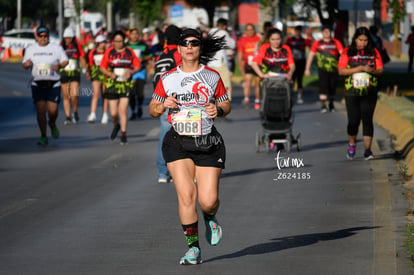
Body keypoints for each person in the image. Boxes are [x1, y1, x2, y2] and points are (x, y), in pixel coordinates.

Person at [149, 28, 231, 265]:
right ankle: (193, 249)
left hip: (208, 143)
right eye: (184, 43)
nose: (189, 47)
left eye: (194, 43)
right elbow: (153, 109)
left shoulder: (212, 76)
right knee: (186, 197)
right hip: (178, 143)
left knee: (207, 201)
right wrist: (164, 104)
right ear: (178, 48)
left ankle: (210, 216)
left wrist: (220, 110)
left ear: (199, 48)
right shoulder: (168, 78)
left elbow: (226, 104)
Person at [338, 26, 384, 160]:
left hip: (369, 91)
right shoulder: (348, 52)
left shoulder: (373, 52)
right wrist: (358, 69)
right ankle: (352, 143)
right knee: (353, 121)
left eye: (365, 40)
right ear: (355, 39)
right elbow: (341, 71)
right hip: (351, 92)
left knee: (367, 119)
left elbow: (380, 70)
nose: (363, 43)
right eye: (360, 40)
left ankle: (368, 151)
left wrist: (371, 71)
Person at [22, 26, 68, 145]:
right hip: (37, 84)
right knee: (41, 111)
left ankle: (52, 123)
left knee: (53, 111)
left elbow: (65, 60)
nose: (43, 38)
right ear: (37, 37)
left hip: (53, 84)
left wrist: (60, 66)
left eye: (45, 36)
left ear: (48, 36)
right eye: (41, 36)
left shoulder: (56, 48)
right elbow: (25, 63)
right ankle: (43, 135)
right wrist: (26, 65)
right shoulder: (31, 49)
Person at [152, 24, 182, 184]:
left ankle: (163, 173)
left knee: (164, 136)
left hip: (161, 98)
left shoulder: (161, 56)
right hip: (176, 99)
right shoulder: (178, 54)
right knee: (187, 135)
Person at [100, 30, 141, 145]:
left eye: (121, 41)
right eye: (116, 41)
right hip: (112, 83)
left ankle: (123, 133)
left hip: (125, 84)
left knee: (122, 110)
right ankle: (116, 125)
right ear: (113, 42)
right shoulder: (109, 52)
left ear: (124, 41)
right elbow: (102, 67)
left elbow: (137, 65)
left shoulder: (129, 52)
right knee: (113, 113)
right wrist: (109, 74)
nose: (119, 43)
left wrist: (131, 72)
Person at [305, 25, 343, 112]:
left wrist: (343, 66)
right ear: (322, 33)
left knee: (332, 87)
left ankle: (331, 103)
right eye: (325, 32)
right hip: (322, 69)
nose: (327, 33)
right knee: (323, 86)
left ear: (330, 33)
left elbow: (342, 54)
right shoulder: (317, 43)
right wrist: (307, 68)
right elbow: (311, 55)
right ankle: (323, 105)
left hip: (334, 69)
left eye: (328, 32)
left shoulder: (336, 42)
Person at [60, 27, 90, 125]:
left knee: (74, 94)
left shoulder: (77, 46)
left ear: (72, 38)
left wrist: (87, 70)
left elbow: (82, 58)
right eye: (66, 38)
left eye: (69, 38)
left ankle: (75, 111)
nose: (67, 40)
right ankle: (68, 116)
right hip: (64, 73)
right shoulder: (60, 46)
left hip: (74, 72)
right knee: (65, 95)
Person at [203, 18, 236, 100]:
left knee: (212, 82)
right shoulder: (223, 32)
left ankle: (212, 98)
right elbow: (232, 45)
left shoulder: (210, 32)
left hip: (210, 62)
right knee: (226, 83)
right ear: (225, 26)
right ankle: (227, 99)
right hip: (220, 62)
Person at [127, 28, 152, 120]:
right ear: (129, 35)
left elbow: (150, 55)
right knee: (131, 92)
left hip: (140, 71)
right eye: (133, 34)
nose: (135, 36)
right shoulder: (126, 46)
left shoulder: (143, 45)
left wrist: (143, 59)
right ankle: (133, 111)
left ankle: (139, 106)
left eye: (136, 34)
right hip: (129, 72)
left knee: (140, 92)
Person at [237, 23, 261, 109]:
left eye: (251, 30)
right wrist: (240, 65)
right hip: (248, 64)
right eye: (248, 30)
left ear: (254, 30)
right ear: (246, 31)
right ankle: (246, 98)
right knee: (248, 80)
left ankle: (257, 100)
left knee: (258, 82)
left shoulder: (259, 39)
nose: (250, 32)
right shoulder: (242, 40)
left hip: (258, 64)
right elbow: (240, 54)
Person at [286, 25, 312, 104]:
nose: (298, 32)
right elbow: (284, 44)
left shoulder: (304, 40)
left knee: (300, 79)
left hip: (301, 61)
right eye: (296, 31)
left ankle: (299, 96)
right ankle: (289, 96)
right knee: (291, 79)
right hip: (292, 62)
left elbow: (311, 43)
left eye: (299, 31)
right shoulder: (290, 39)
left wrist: (309, 35)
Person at [87, 34, 109, 124]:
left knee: (105, 94)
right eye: (101, 43)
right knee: (96, 93)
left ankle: (105, 114)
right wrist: (89, 72)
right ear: (97, 43)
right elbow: (90, 64)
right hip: (96, 73)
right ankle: (92, 114)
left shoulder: (107, 52)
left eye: (104, 42)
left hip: (105, 73)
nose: (103, 44)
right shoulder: (92, 52)